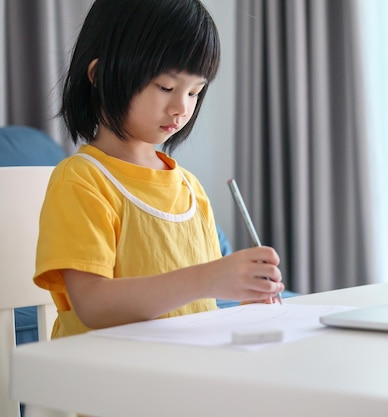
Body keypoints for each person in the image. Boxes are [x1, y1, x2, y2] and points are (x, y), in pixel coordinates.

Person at [34, 0, 284, 339]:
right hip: (104, 382)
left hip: (178, 377)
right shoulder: (82, 180)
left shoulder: (190, 189)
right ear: (99, 74)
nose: (182, 107)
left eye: (195, 91)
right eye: (166, 87)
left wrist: (248, 305)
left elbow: (196, 310)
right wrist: (209, 277)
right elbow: (92, 305)